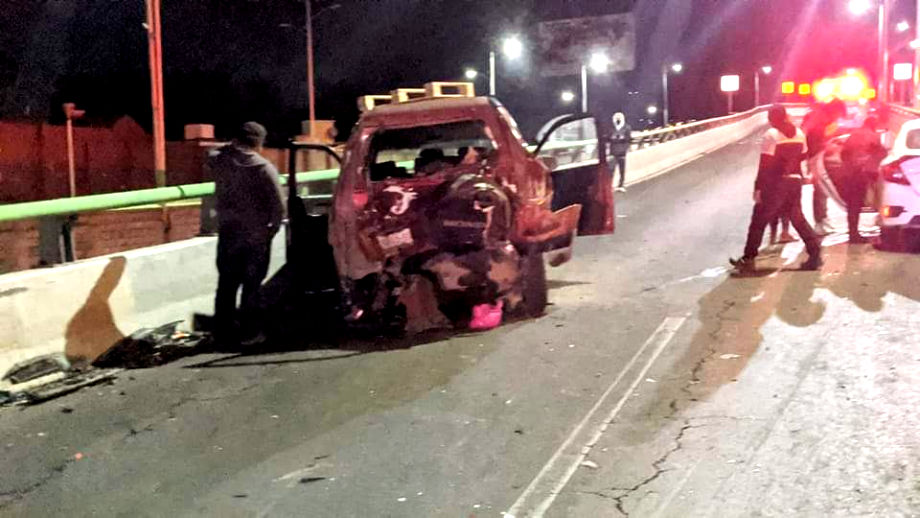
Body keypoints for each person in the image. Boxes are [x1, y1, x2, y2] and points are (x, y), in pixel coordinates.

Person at [211, 121, 285, 343]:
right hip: (256, 236)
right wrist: (270, 232)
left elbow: (212, 152)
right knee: (252, 285)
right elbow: (279, 207)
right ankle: (249, 332)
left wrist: (230, 146)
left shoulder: (221, 161)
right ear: (259, 143)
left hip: (229, 233)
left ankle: (222, 332)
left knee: (226, 284)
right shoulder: (264, 168)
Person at [730, 105, 822, 273]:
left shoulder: (771, 135)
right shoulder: (799, 134)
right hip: (795, 182)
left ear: (772, 118)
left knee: (758, 221)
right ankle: (815, 254)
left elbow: (765, 164)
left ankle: (748, 259)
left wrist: (758, 187)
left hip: (775, 184)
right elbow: (803, 156)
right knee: (797, 219)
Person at [802, 99, 846, 235]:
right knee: (820, 189)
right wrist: (827, 147)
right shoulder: (819, 120)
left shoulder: (821, 118)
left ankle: (822, 219)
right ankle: (820, 222)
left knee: (821, 190)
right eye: (838, 114)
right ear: (834, 110)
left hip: (815, 157)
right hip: (815, 158)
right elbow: (813, 141)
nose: (837, 118)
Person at [840, 117, 886, 243]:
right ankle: (854, 235)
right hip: (861, 173)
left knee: (852, 205)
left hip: (849, 173)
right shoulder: (873, 136)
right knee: (857, 203)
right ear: (873, 125)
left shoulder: (853, 135)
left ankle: (852, 232)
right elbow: (880, 154)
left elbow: (843, 153)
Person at [609, 112, 632, 192]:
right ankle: (610, 186)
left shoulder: (627, 127)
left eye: (619, 117)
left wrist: (625, 148)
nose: (618, 119)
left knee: (622, 169)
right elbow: (608, 138)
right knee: (611, 170)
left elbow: (629, 140)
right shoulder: (611, 127)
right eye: (616, 117)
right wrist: (613, 137)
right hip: (613, 151)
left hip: (622, 151)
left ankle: (621, 185)